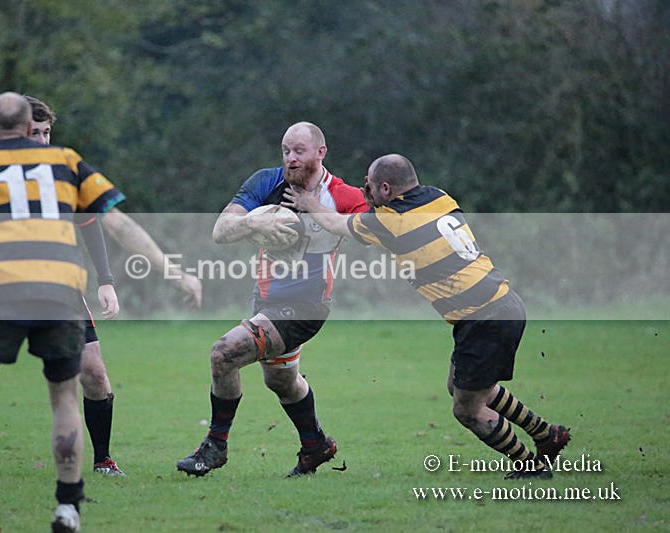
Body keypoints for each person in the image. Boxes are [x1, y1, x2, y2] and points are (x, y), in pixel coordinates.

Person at [0, 96, 203, 482]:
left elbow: (97, 225)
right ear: (25, 127)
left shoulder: (53, 167)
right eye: (37, 131)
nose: (42, 139)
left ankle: (97, 461)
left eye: (48, 132)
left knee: (89, 373)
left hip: (55, 283)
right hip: (12, 284)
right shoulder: (3, 168)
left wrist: (108, 280)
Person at [283, 153, 571, 479]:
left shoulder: (392, 221)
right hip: (501, 303)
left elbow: (337, 223)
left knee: (467, 408)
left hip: (484, 318)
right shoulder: (439, 197)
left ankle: (529, 465)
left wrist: (309, 202)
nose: (365, 187)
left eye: (370, 183)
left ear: (387, 188)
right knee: (464, 386)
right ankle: (548, 435)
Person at [176, 122, 367, 477]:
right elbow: (220, 231)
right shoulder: (267, 182)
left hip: (307, 308)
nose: (290, 159)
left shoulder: (340, 194)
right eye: (285, 151)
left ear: (321, 153)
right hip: (266, 303)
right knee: (281, 381)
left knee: (224, 353)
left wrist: (316, 210)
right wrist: (255, 224)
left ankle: (215, 445)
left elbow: (375, 231)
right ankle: (316, 445)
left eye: (299, 151)